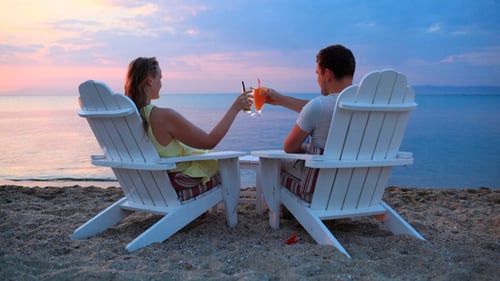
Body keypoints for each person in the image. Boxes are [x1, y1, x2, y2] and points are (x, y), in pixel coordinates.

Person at [124, 57, 252, 200]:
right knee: (227, 169)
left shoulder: (127, 118)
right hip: (174, 183)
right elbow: (209, 142)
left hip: (144, 184)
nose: (161, 84)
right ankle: (231, 219)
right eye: (160, 78)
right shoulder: (162, 116)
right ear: (150, 80)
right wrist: (235, 108)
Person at [263, 44, 356, 201]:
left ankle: (274, 211)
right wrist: (281, 100)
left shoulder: (319, 106)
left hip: (319, 193)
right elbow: (320, 109)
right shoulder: (367, 106)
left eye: (317, 74)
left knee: (269, 163)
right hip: (354, 192)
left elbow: (289, 147)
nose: (317, 79)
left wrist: (310, 148)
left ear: (327, 74)